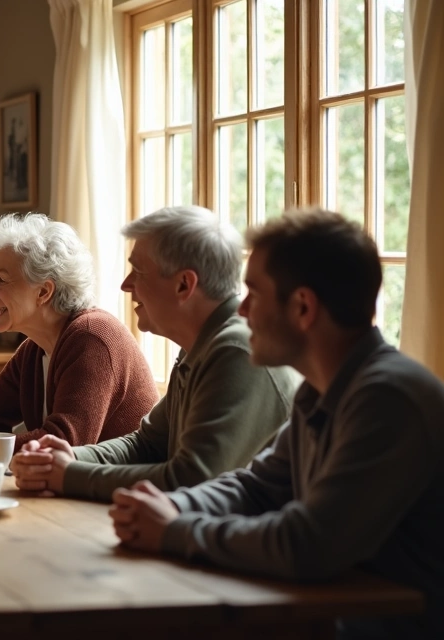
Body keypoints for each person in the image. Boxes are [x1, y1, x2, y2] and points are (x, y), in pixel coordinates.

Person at [109, 209, 444, 638]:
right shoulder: (322, 390)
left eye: (253, 293)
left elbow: (308, 544)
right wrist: (174, 506)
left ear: (303, 307)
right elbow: (256, 486)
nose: (242, 310)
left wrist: (175, 531)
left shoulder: (388, 399)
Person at [11, 205, 299, 501]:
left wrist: (68, 474)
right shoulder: (200, 346)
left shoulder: (237, 351)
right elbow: (147, 444)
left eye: (138, 271)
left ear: (184, 285)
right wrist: (68, 457)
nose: (126, 285)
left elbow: (192, 479)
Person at [0, 213, 158, 460]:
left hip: (124, 493)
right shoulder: (35, 349)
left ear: (43, 292)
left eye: (1, 280)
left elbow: (64, 443)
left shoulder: (92, 337)